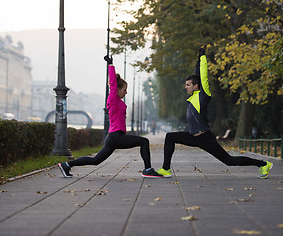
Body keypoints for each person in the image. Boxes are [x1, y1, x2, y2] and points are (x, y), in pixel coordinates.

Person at [157, 47, 273, 179]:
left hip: (205, 138)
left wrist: (203, 58)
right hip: (193, 137)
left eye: (188, 85)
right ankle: (166, 169)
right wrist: (197, 60)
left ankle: (263, 164)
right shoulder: (193, 97)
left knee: (229, 161)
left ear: (196, 86)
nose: (185, 87)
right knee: (170, 136)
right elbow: (197, 76)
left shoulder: (203, 95)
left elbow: (203, 76)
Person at [58, 55, 162, 178]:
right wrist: (111, 65)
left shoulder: (118, 101)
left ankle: (67, 165)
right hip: (115, 137)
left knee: (95, 161)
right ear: (117, 89)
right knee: (144, 141)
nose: (126, 92)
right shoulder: (113, 99)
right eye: (124, 89)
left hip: (114, 137)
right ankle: (148, 170)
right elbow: (112, 84)